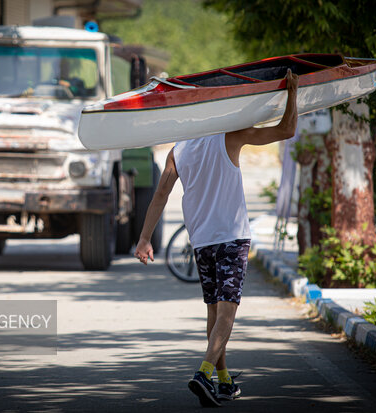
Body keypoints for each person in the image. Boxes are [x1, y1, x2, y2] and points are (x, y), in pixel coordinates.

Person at [135, 69, 299, 407]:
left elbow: (160, 197)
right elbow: (287, 129)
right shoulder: (230, 135)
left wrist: (144, 239)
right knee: (227, 312)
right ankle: (204, 372)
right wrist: (293, 92)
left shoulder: (178, 151)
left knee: (213, 311)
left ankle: (223, 382)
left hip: (202, 241)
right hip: (232, 237)